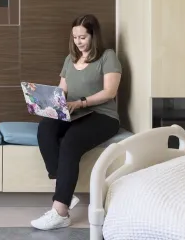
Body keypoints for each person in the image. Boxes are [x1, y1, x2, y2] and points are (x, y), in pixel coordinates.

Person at [30, 14, 122, 231]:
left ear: (93, 35)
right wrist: (47, 103)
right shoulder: (69, 59)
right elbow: (62, 90)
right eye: (75, 37)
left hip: (102, 115)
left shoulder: (108, 57)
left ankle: (60, 212)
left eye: (83, 37)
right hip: (73, 111)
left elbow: (110, 92)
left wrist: (80, 103)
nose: (78, 42)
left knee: (70, 142)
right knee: (45, 128)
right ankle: (66, 192)